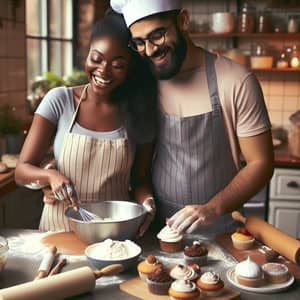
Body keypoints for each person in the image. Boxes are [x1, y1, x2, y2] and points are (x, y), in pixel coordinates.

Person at [110, 0, 274, 235]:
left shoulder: (236, 81)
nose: (150, 50)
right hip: (163, 229)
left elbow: (261, 164)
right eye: (139, 42)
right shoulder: (147, 85)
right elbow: (141, 171)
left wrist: (212, 209)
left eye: (157, 35)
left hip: (223, 228)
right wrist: (146, 202)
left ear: (183, 21)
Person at [15, 11, 158, 235]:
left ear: (131, 68)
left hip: (113, 233)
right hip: (59, 228)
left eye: (118, 65)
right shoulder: (60, 101)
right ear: (87, 55)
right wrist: (50, 176)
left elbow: (140, 180)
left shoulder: (139, 111)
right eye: (96, 58)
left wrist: (148, 202)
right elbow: (22, 171)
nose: (103, 70)